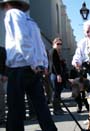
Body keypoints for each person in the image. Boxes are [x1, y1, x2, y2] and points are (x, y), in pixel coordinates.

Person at [0, 0, 57, 130]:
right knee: (41, 106)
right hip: (33, 69)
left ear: (8, 5)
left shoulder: (12, 14)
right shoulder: (31, 21)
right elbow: (40, 46)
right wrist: (41, 64)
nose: (4, 10)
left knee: (15, 108)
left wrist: (33, 62)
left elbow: (22, 39)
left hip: (19, 68)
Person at [49, 37, 66, 115]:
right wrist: (58, 74)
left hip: (57, 74)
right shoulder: (53, 51)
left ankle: (59, 108)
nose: (59, 45)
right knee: (55, 92)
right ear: (54, 44)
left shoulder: (57, 52)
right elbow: (55, 65)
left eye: (60, 44)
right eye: (58, 44)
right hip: (55, 75)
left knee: (58, 92)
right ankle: (56, 109)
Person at [0, 46, 7, 125]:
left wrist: (5, 74)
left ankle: (1, 118)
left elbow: (6, 62)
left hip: (1, 76)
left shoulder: (2, 50)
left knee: (1, 98)